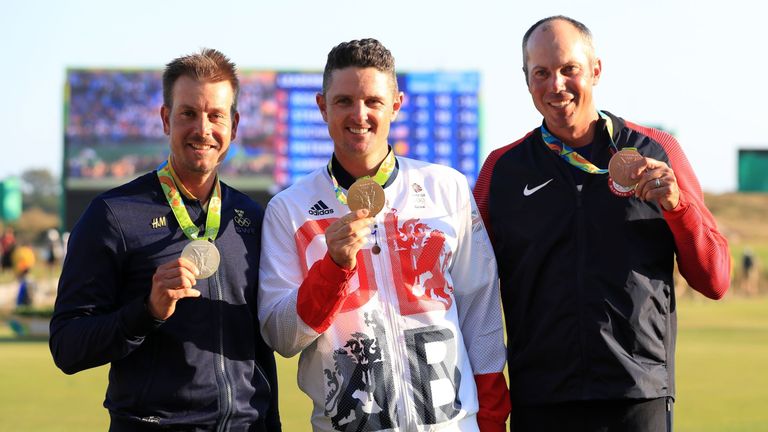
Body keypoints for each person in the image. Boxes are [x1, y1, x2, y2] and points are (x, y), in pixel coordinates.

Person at [473, 16, 731, 432]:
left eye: (568, 69)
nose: (555, 85)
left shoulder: (657, 151)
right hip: (541, 398)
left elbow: (715, 279)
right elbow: (469, 293)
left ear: (595, 69)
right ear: (526, 80)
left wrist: (678, 207)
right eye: (541, 73)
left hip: (638, 393)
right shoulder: (500, 172)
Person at [258, 38, 510, 431]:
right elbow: (281, 336)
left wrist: (491, 419)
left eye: (373, 101)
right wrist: (332, 269)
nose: (359, 114)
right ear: (323, 107)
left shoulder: (448, 188)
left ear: (395, 104)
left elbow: (481, 314)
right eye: (343, 101)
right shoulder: (288, 209)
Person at [50, 48, 280, 431]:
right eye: (188, 113)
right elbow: (67, 346)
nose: (202, 129)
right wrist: (147, 312)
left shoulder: (252, 219)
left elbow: (262, 348)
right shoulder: (114, 214)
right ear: (165, 118)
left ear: (234, 125)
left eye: (215, 115)